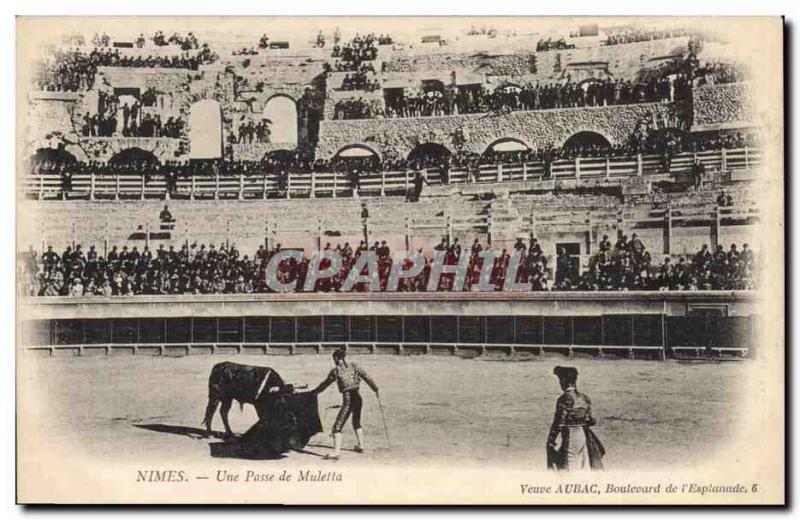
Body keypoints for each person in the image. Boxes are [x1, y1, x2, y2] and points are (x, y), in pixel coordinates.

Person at [311, 348, 379, 460]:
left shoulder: (336, 371)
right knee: (356, 421)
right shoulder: (354, 366)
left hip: (348, 400)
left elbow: (325, 384)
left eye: (334, 359)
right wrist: (375, 389)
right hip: (358, 398)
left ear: (337, 358)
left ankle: (336, 452)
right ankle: (361, 446)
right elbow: (367, 377)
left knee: (337, 427)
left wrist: (315, 392)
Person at [546, 366, 604, 472]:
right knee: (583, 467)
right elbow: (592, 420)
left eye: (560, 380)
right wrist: (580, 419)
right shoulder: (584, 398)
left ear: (563, 381)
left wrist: (551, 441)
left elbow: (558, 423)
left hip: (571, 434)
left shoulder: (564, 399)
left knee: (568, 467)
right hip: (584, 435)